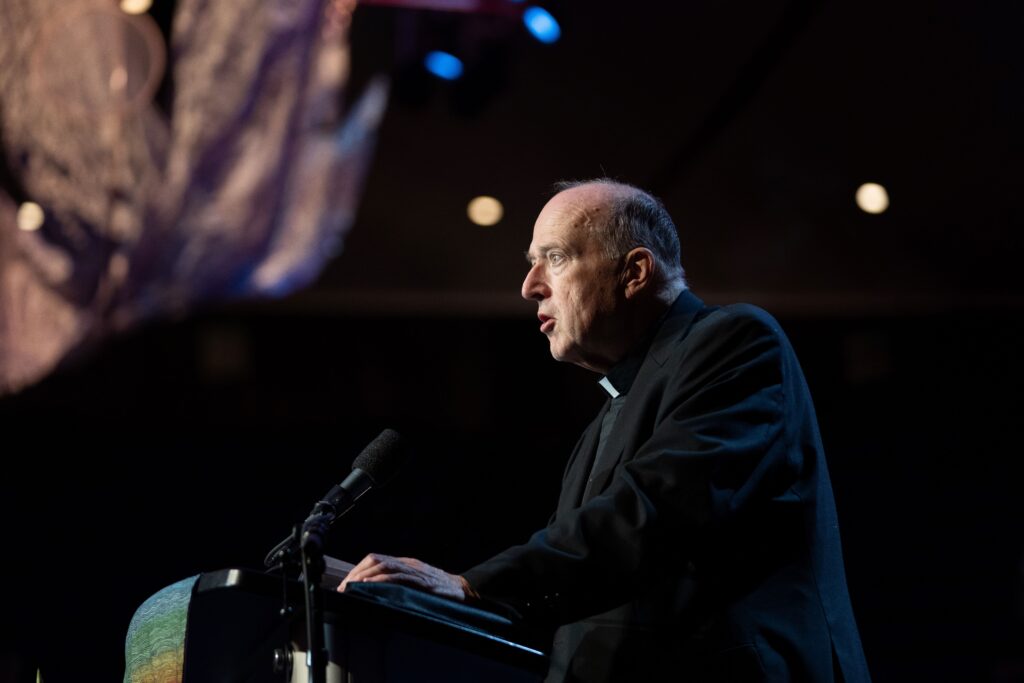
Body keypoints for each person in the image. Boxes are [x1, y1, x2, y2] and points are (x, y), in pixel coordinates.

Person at [339, 179, 870, 682]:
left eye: (555, 258)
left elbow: (657, 511)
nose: (529, 287)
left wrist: (469, 585)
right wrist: (427, 602)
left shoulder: (735, 342)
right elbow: (575, 595)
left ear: (635, 271)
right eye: (531, 265)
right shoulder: (608, 414)